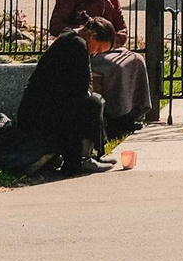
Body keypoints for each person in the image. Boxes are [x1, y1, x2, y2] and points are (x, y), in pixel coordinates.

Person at [49, 0, 150, 134]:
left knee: (137, 60)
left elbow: (122, 29)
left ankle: (133, 113)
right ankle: (115, 118)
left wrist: (111, 42)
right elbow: (55, 25)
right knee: (116, 67)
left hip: (110, 47)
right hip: (87, 49)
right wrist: (81, 36)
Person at [10, 18, 126, 175]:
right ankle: (80, 160)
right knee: (92, 104)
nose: (96, 53)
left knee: (92, 100)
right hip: (39, 111)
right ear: (92, 37)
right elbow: (81, 87)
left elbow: (85, 82)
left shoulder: (74, 39)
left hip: (43, 105)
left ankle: (90, 155)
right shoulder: (76, 45)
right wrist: (88, 94)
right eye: (98, 48)